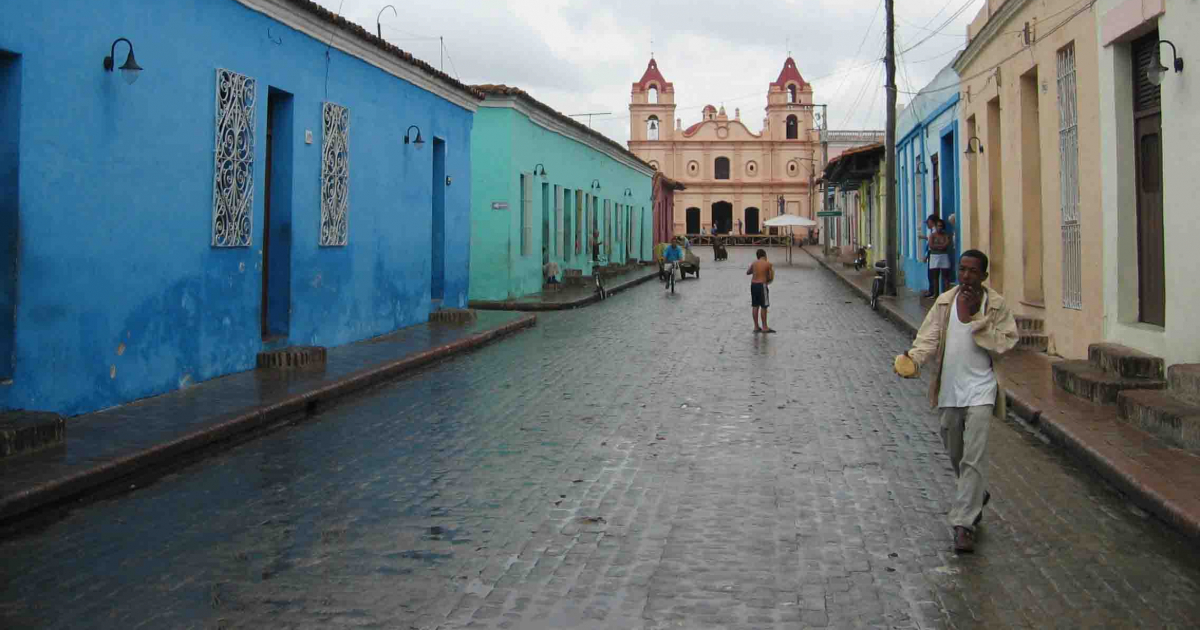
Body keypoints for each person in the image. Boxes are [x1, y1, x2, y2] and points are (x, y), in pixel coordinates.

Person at [899, 250, 1018, 553]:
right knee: (954, 448)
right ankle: (976, 493)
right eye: (962, 270)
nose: (966, 276)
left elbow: (1005, 344)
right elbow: (928, 337)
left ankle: (964, 523)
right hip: (949, 390)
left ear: (984, 276)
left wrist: (979, 318)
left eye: (973, 272)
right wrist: (914, 358)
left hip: (982, 390)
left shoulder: (996, 306)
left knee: (974, 456)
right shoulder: (944, 302)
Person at [746, 249, 775, 333]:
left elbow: (748, 272)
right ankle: (765, 327)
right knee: (764, 306)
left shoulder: (754, 263)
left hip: (753, 285)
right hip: (762, 286)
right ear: (765, 255)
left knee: (755, 306)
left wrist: (755, 270)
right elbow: (770, 277)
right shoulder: (768, 264)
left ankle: (756, 327)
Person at [924, 216, 953, 298]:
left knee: (946, 276)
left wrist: (938, 246)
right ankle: (936, 294)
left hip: (944, 256)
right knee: (935, 276)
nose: (939, 228)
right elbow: (931, 245)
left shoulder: (945, 235)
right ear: (935, 226)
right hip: (934, 256)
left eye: (941, 226)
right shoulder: (932, 235)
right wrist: (941, 246)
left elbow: (946, 244)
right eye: (938, 226)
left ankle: (947, 294)